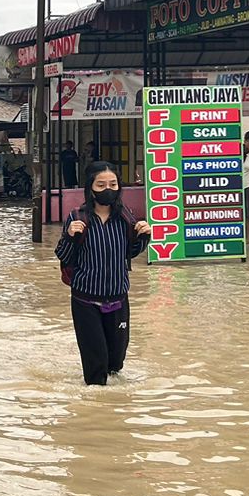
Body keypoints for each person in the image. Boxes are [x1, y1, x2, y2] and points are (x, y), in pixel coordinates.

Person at [57, 162, 150, 386]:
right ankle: (95, 408)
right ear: (91, 188)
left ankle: (115, 408)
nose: (108, 189)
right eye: (101, 184)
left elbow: (129, 253)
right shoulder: (77, 218)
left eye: (113, 184)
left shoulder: (126, 218)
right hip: (85, 299)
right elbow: (63, 255)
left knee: (116, 361)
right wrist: (70, 236)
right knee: (95, 365)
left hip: (118, 296)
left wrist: (144, 238)